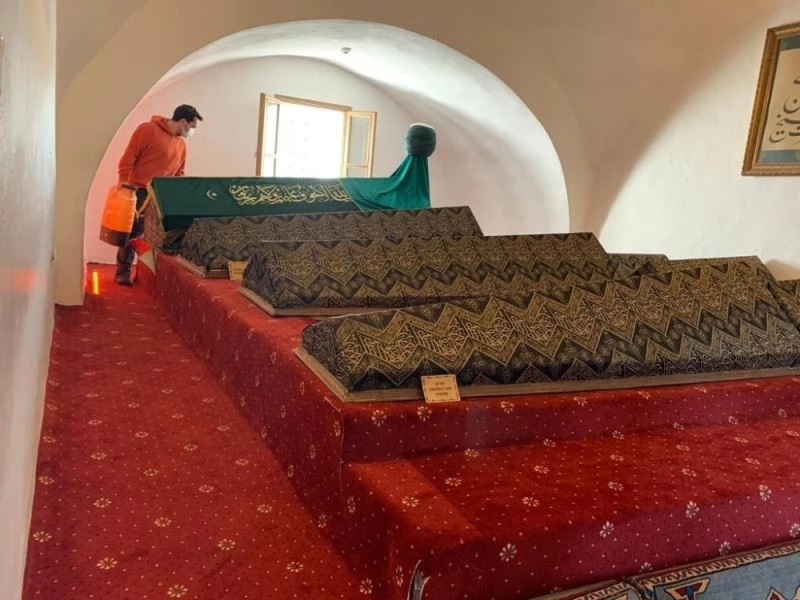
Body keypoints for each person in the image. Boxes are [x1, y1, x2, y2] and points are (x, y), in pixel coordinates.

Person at [114, 104, 203, 285]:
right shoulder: (147, 130)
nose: (192, 132)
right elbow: (128, 158)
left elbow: (179, 174)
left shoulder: (181, 145)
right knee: (133, 234)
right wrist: (123, 184)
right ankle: (123, 272)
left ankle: (149, 275)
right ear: (183, 122)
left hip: (161, 197)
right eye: (192, 127)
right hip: (140, 192)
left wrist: (178, 197)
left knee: (159, 238)